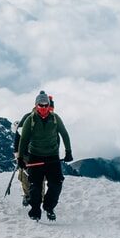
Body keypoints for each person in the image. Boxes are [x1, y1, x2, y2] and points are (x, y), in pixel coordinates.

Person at [17, 91, 73, 221]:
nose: (43, 107)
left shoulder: (55, 118)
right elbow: (24, 139)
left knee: (56, 183)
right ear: (36, 106)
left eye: (45, 105)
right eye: (40, 105)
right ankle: (35, 210)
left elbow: (64, 134)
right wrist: (20, 157)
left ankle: (49, 207)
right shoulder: (30, 120)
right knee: (35, 185)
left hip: (52, 157)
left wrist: (68, 151)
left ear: (49, 105)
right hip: (35, 156)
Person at [12, 94, 54, 206]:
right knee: (25, 176)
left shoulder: (50, 119)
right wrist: (17, 152)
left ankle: (39, 197)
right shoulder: (27, 117)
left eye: (46, 105)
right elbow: (18, 136)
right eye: (41, 105)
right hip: (26, 153)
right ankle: (27, 195)